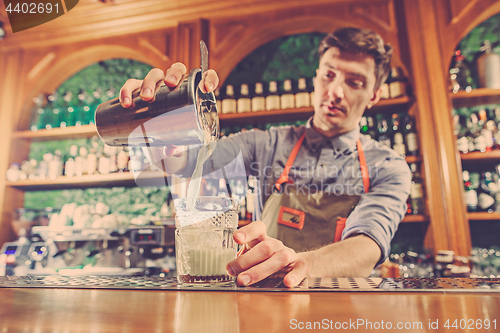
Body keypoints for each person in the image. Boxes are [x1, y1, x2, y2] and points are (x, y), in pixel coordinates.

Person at [119, 27, 411, 287]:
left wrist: (302, 265)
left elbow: (367, 246)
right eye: (329, 75)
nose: (335, 92)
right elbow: (185, 167)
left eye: (355, 82)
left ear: (374, 95)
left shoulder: (388, 166)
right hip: (266, 303)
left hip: (343, 310)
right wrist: (156, 121)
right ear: (316, 77)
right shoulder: (265, 144)